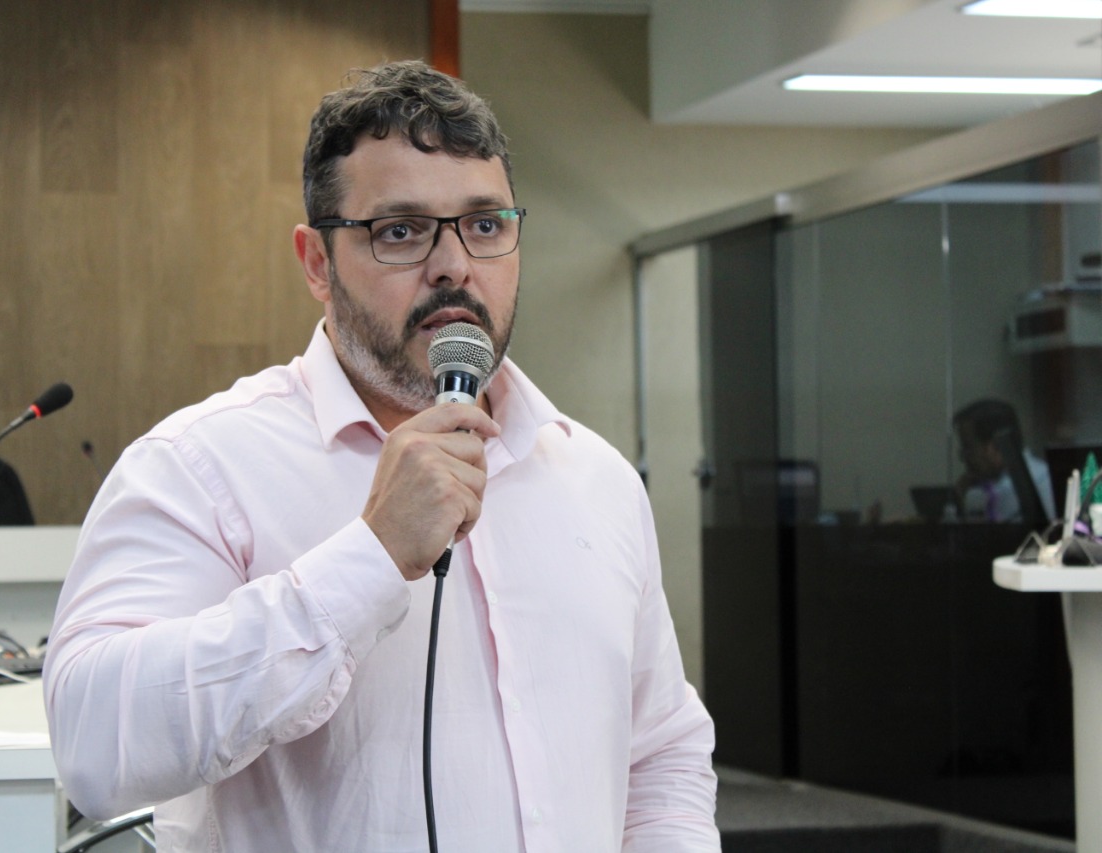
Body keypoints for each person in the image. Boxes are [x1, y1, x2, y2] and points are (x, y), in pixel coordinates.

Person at [44, 60, 719, 852]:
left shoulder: (596, 478)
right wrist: (369, 559)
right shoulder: (201, 464)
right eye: (400, 231)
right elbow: (93, 747)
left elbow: (660, 753)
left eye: (485, 225)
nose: (454, 265)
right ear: (317, 263)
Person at [953, 398, 1055, 524]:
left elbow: (980, 535)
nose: (964, 457)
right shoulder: (1043, 473)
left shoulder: (1006, 492)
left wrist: (964, 501)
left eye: (968, 447)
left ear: (994, 447)